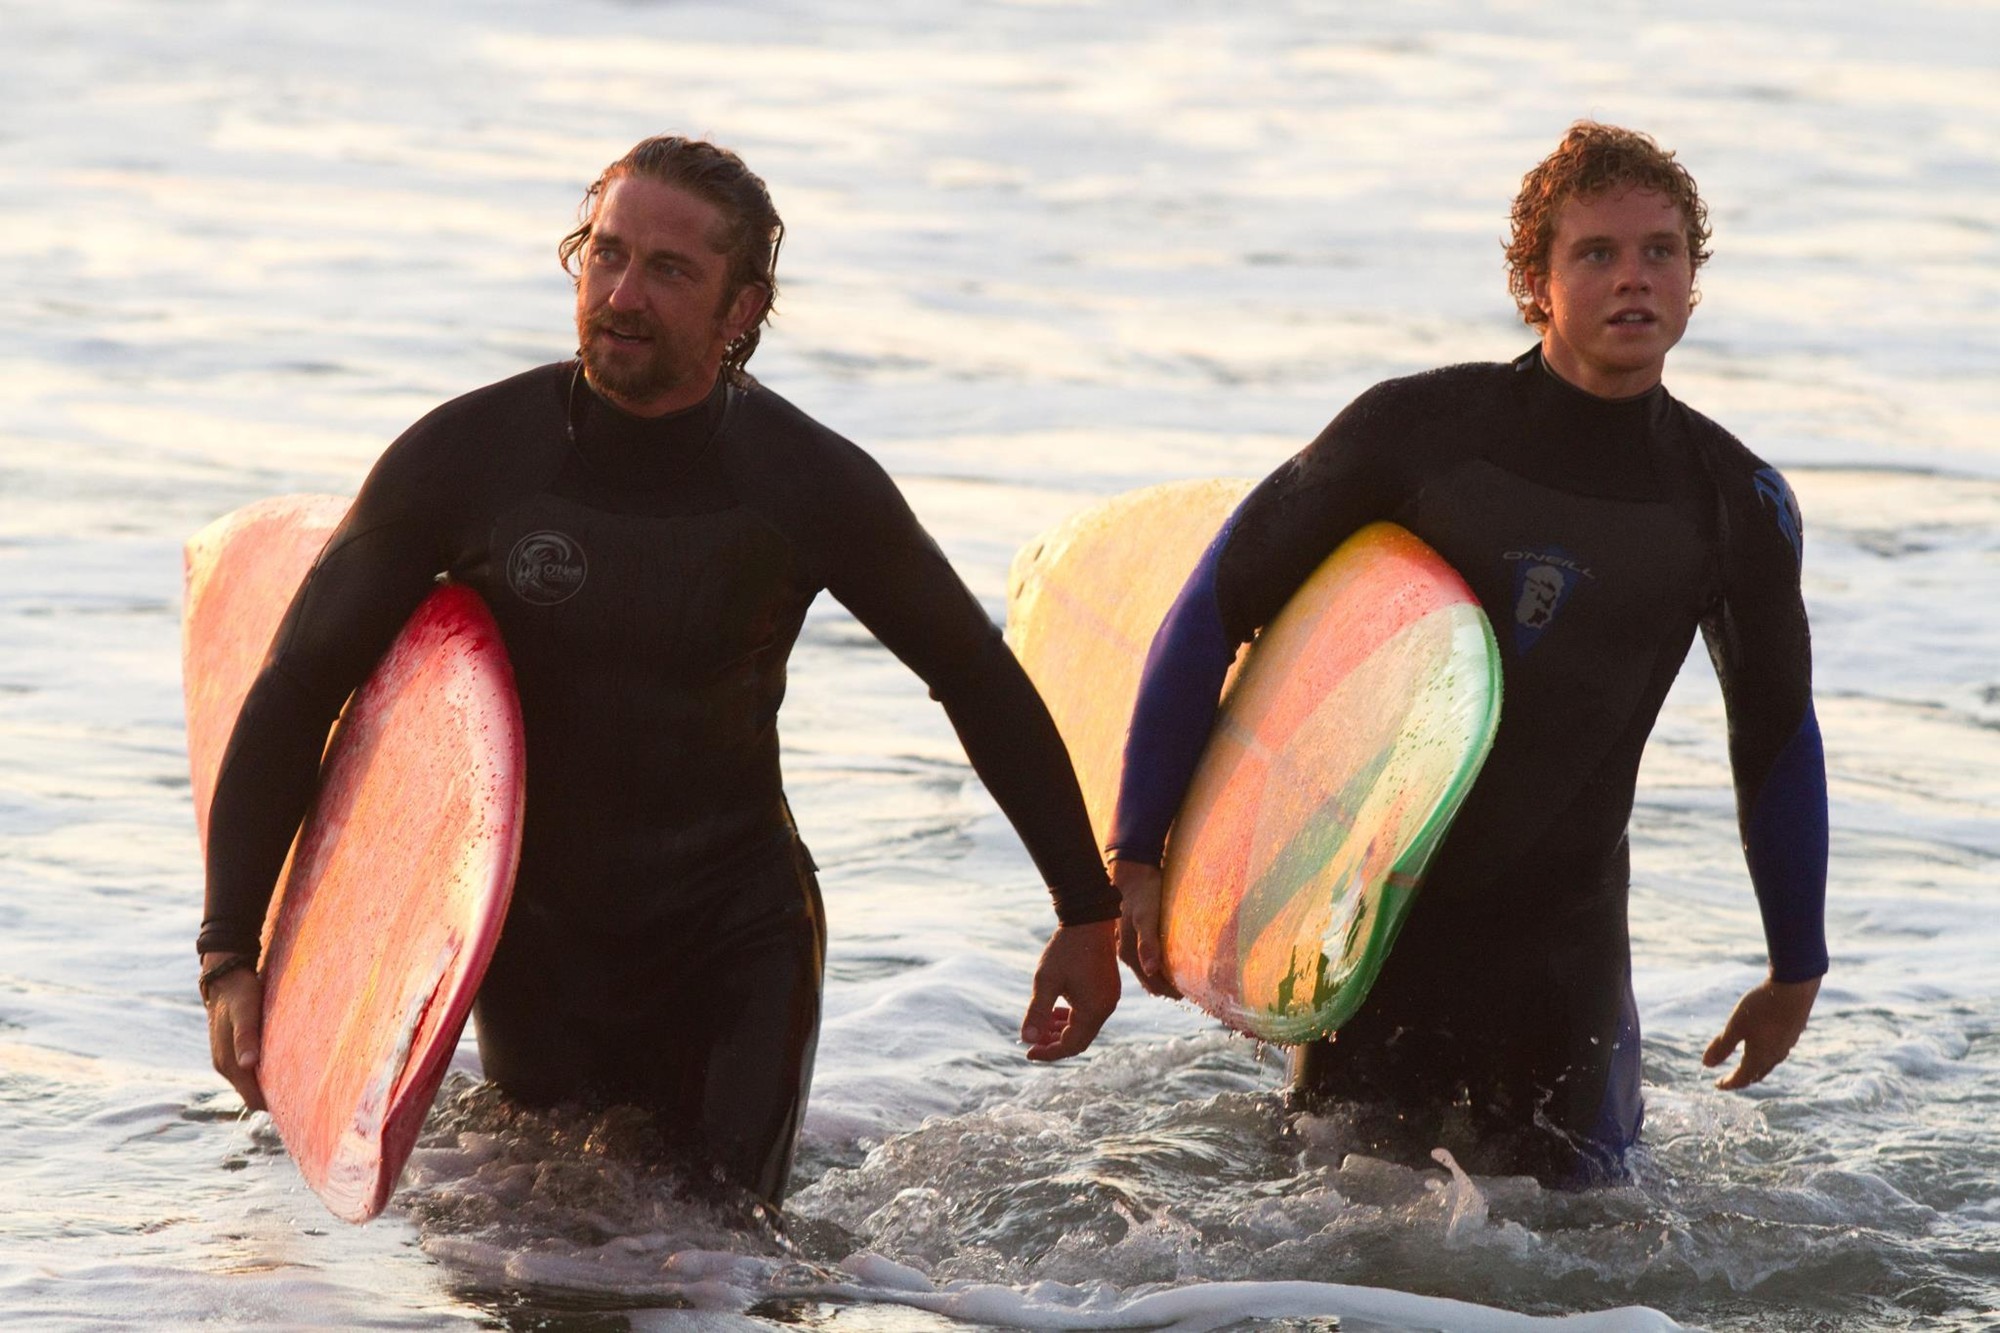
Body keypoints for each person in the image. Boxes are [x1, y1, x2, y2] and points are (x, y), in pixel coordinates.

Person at [196, 135, 1121, 1207]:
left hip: (736, 939)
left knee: (719, 1267)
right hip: (532, 949)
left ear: (742, 309)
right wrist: (233, 952)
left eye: (669, 270)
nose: (621, 294)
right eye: (604, 254)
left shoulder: (806, 483)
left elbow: (974, 677)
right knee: (536, 1285)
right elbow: (299, 684)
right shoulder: (468, 459)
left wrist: (1083, 911)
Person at [1107, 123, 1827, 1185]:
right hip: (1377, 933)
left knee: (1582, 1257)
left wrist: (1793, 964)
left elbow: (1772, 733)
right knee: (1325, 1228)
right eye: (1595, 253)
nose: (1633, 278)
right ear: (1533, 283)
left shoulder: (1732, 501)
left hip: (1566, 954)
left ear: (1691, 280)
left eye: (1659, 251)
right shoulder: (1417, 435)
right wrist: (1138, 851)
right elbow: (1211, 610)